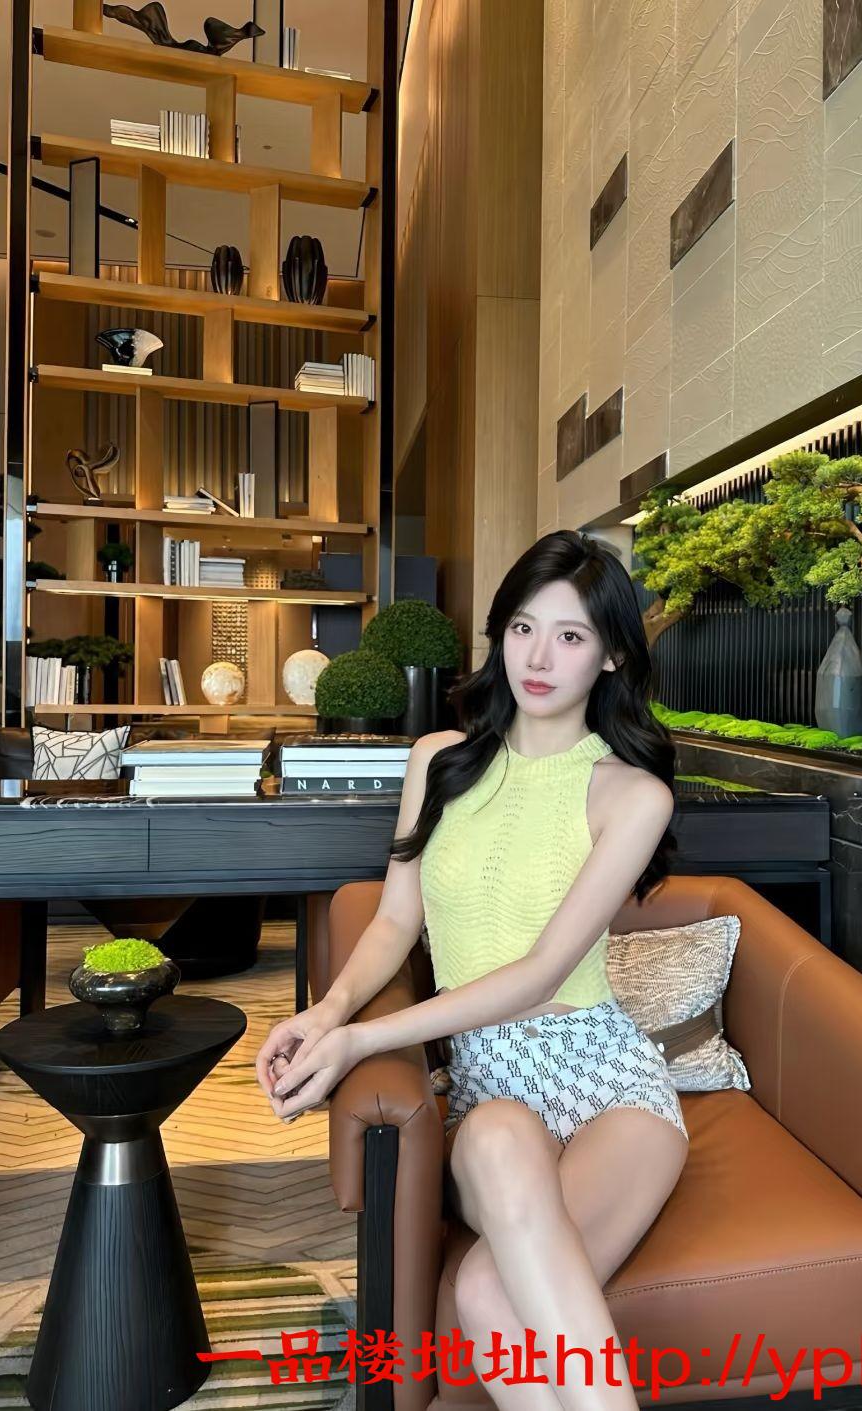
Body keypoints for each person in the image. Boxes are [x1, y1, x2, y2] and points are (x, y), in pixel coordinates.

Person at [255, 529, 688, 1409]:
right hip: (493, 1086)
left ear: (611, 655)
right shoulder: (439, 761)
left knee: (487, 1292)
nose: (539, 657)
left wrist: (364, 1038)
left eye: (570, 636)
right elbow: (395, 919)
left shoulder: (633, 794)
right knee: (490, 1138)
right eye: (524, 628)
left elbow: (540, 973)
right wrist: (328, 1011)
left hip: (611, 1084)